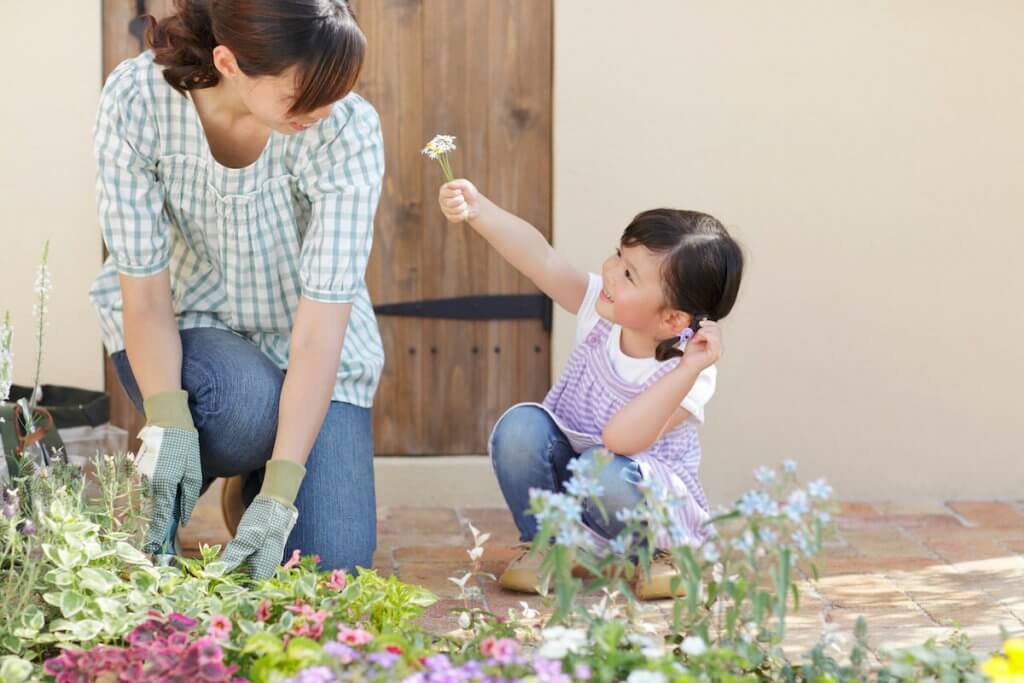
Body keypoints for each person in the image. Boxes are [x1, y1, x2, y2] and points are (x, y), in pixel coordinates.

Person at [90, 0, 384, 578]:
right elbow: (146, 296)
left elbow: (320, 334)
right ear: (229, 62)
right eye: (303, 96)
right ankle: (173, 485)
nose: (323, 112)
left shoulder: (345, 129)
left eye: (336, 92)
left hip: (303, 341)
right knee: (243, 405)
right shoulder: (138, 100)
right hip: (187, 330)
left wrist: (279, 494)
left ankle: (250, 491)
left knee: (331, 571)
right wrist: (170, 425)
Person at [437, 179, 743, 599]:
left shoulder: (690, 370)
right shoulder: (601, 311)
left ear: (673, 320)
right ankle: (552, 543)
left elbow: (619, 441)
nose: (610, 270)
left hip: (634, 496)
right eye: (619, 255)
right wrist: (479, 209)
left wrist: (688, 368)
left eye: (629, 274)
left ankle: (653, 554)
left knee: (603, 466)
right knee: (521, 428)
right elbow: (540, 258)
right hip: (582, 480)